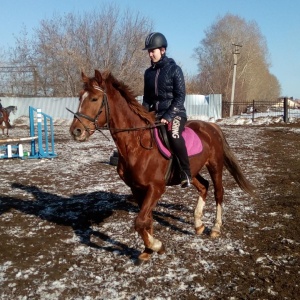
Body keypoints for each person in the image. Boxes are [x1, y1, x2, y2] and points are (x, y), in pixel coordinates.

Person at [142, 32, 192, 188]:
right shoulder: (148, 73)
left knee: (174, 135)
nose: (150, 54)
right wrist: (142, 115)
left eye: (153, 50)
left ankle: (185, 172)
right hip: (155, 115)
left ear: (162, 50)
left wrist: (169, 115)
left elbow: (180, 97)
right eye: (149, 51)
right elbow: (146, 99)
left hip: (175, 113)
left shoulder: (175, 70)